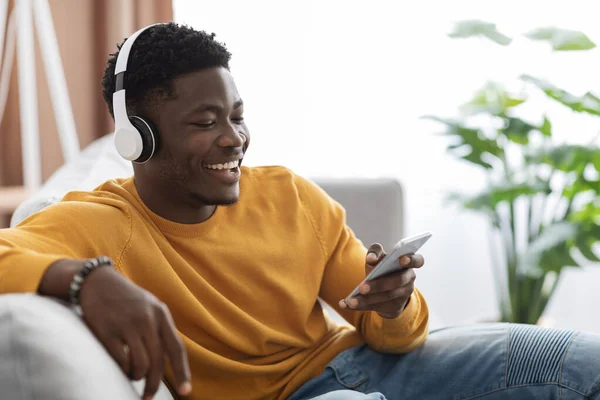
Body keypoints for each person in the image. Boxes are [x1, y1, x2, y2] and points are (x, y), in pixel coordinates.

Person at [0, 22, 599, 400]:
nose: (235, 137)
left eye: (237, 115)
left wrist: (394, 304)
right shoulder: (99, 222)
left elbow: (392, 337)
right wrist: (87, 277)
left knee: (582, 364)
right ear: (139, 138)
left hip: (367, 369)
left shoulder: (288, 194)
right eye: (206, 123)